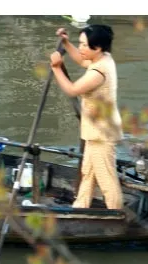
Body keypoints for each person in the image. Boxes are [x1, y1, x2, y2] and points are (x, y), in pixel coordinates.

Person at [50, 24, 123, 210]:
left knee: (107, 179)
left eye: (84, 45)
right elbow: (82, 60)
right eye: (80, 43)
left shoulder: (98, 72)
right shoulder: (103, 58)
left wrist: (56, 68)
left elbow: (72, 89)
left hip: (101, 133)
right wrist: (66, 43)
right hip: (95, 130)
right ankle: (80, 207)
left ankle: (116, 214)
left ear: (97, 48)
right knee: (87, 172)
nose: (80, 48)